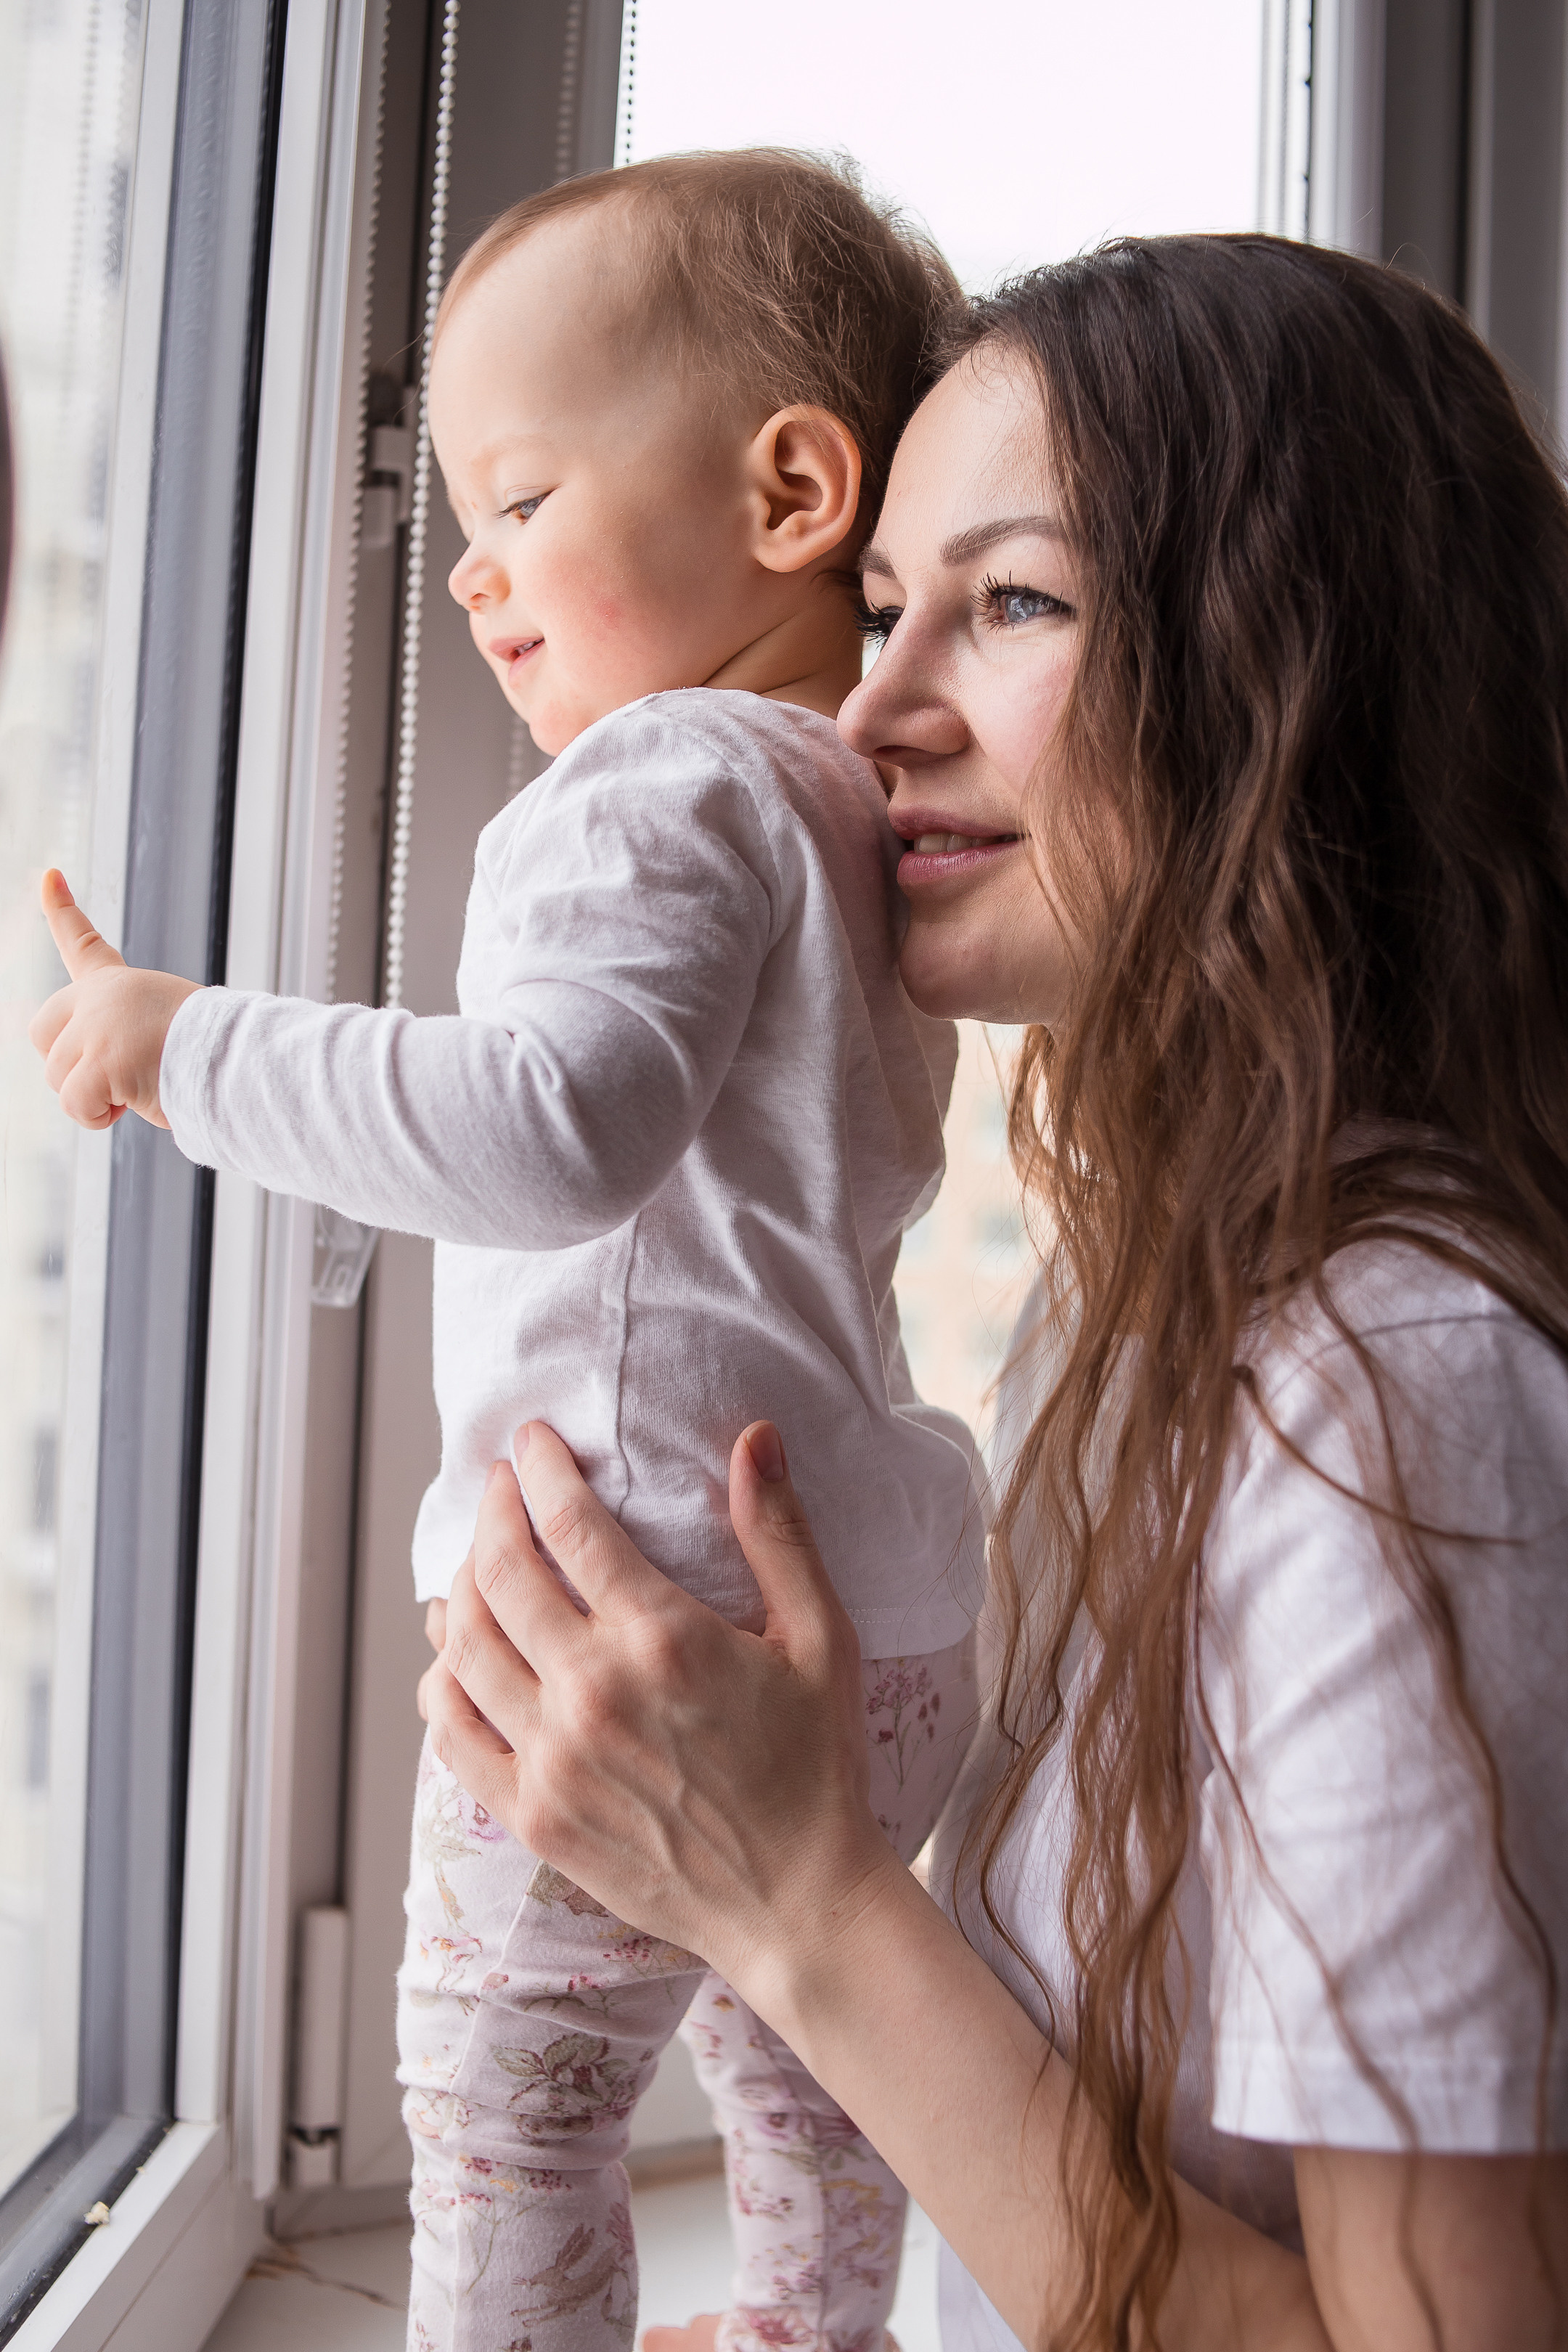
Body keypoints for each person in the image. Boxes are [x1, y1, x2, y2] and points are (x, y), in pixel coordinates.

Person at [422, 235, 1568, 2352]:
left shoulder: (1386, 1392)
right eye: (877, 610)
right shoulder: (1149, 1312)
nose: (872, 709)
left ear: (1301, 668)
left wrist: (799, 1900)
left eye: (1014, 600)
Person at [28, 155, 989, 2351]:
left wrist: (186, 1048)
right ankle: (808, 2331)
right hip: (884, 1618)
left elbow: (553, 1121)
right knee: (807, 2046)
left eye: (523, 495)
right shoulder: (873, 811)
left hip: (632, 1630)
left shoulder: (649, 782)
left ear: (792, 490)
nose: (471, 573)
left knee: (498, 2115)